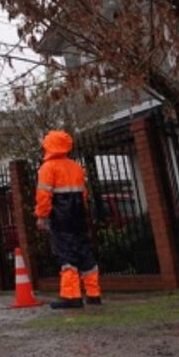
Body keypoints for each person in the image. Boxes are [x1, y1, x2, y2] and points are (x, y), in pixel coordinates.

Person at [35, 130, 102, 309]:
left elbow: (43, 195)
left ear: (48, 145)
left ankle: (71, 296)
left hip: (60, 216)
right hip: (78, 215)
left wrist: (42, 216)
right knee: (85, 253)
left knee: (67, 255)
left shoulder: (48, 168)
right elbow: (84, 194)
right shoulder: (76, 167)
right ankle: (93, 294)